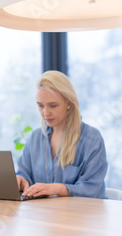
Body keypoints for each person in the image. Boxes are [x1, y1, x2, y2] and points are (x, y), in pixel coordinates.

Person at [16, 70, 108, 199]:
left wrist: (58, 188)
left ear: (69, 103)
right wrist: (21, 180)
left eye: (53, 106)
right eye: (40, 106)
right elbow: (24, 173)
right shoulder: (35, 138)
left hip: (86, 215)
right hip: (45, 214)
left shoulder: (91, 139)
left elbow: (91, 188)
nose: (45, 113)